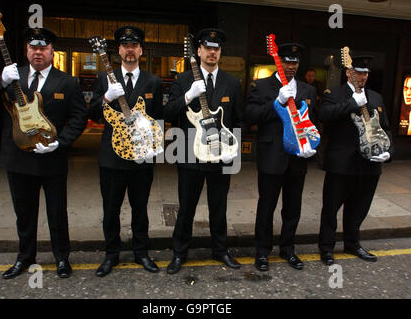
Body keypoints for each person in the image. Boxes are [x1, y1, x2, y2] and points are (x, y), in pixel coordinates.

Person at [0, 27, 88, 279]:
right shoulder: (12, 77)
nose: (38, 52)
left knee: (57, 212)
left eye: (43, 48)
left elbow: (78, 117)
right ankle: (24, 257)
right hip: (18, 159)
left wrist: (60, 142)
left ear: (52, 51)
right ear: (27, 51)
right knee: (24, 214)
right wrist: (1, 82)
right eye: (33, 48)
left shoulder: (67, 82)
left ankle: (62, 257)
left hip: (52, 159)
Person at [163, 28, 244, 274]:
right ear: (198, 51)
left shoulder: (232, 82)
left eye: (216, 48)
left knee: (218, 207)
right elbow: (167, 113)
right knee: (186, 207)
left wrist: (235, 150)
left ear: (220, 52)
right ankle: (179, 253)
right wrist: (188, 96)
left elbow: (238, 120)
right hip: (190, 153)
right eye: (207, 48)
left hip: (222, 154)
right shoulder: (182, 81)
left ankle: (220, 251)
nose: (212, 52)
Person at [89, 26, 163, 277]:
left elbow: (159, 119)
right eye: (125, 46)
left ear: (141, 50)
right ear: (118, 50)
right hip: (111, 158)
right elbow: (92, 114)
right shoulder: (103, 79)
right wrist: (106, 98)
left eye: (134, 45)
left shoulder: (153, 81)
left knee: (140, 209)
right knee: (110, 209)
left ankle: (141, 252)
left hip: (142, 157)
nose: (130, 50)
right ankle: (111, 254)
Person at [245, 43, 318, 271]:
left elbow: (310, 122)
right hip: (272, 155)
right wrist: (276, 102)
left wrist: (311, 143)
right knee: (267, 206)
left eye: (295, 62)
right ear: (278, 61)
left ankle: (288, 249)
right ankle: (262, 251)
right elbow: (250, 115)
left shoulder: (308, 90)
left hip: (298, 157)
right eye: (287, 61)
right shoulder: (262, 85)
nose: (291, 66)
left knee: (292, 207)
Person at [318, 55, 393, 265]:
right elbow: (324, 115)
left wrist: (388, 151)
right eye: (359, 72)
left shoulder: (376, 97)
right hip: (342, 163)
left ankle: (352, 243)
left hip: (370, 164)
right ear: (349, 73)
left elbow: (385, 127)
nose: (363, 77)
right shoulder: (335, 94)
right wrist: (352, 103)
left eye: (366, 73)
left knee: (359, 207)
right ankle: (326, 248)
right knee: (331, 208)